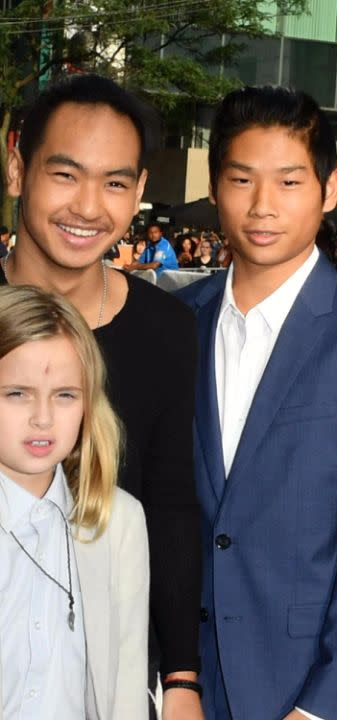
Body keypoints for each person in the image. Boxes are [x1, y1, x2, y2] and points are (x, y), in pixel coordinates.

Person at [177, 85, 337, 720]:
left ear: (329, 188)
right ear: (215, 186)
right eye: (242, 179)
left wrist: (323, 704)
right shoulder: (180, 320)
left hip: (298, 687)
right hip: (181, 682)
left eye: (289, 182)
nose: (263, 206)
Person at [0, 73, 202, 719]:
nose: (88, 207)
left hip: (104, 671)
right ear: (16, 167)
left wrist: (181, 679)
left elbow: (171, 504)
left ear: (140, 190)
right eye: (65, 174)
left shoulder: (167, 329)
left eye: (115, 182)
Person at [0, 284, 149, 718]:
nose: (42, 417)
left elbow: (125, 684)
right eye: (16, 393)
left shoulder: (118, 521)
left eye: (65, 394)